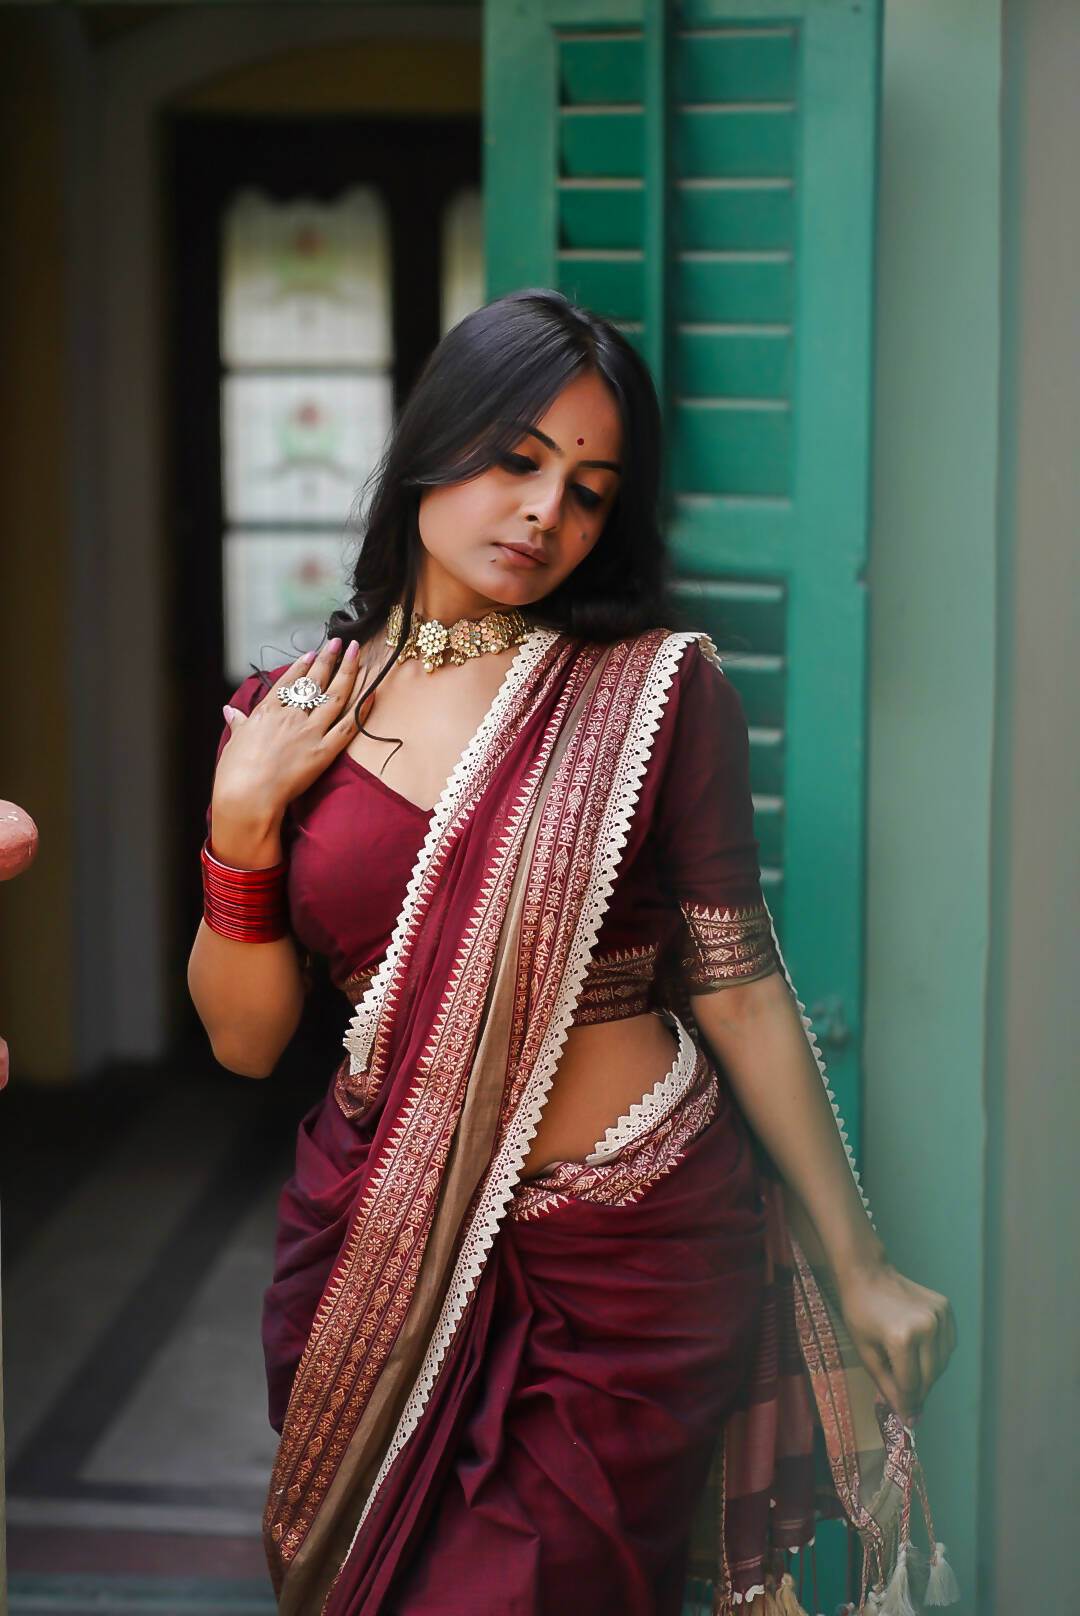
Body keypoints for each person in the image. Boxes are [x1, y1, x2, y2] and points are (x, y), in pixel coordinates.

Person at [188, 290, 958, 1616]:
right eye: (518, 461)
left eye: (591, 490)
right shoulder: (285, 718)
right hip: (386, 1246)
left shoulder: (652, 691)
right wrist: (241, 822)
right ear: (436, 442)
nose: (547, 512)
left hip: (631, 1260)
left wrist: (861, 1261)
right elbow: (249, 1040)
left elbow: (741, 986)